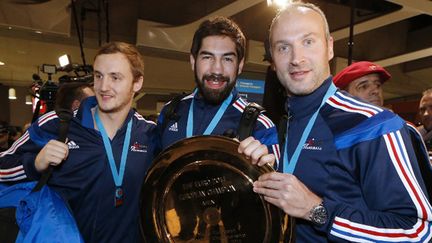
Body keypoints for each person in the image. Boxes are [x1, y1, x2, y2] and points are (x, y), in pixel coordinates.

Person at [250, 2, 432, 242]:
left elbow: (417, 231)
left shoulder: (376, 126)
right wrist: (242, 170)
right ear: (273, 61)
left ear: (329, 48)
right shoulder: (269, 137)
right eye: (283, 47)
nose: (297, 58)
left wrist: (316, 210)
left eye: (308, 41)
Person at [0, 42, 157, 242]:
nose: (103, 87)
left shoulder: (148, 135)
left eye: (115, 77)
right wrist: (34, 164)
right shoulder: (58, 125)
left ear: (137, 83)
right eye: (98, 76)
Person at [156, 16, 279, 240]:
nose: (217, 69)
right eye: (207, 57)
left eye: (228, 59)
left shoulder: (259, 125)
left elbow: (275, 206)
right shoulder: (171, 112)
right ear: (193, 61)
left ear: (240, 65)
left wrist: (269, 169)